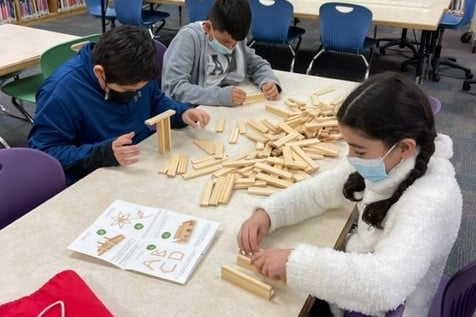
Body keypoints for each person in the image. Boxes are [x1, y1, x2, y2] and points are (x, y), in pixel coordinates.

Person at [236, 72, 462, 317]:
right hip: (369, 280)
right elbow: (318, 192)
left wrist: (295, 262)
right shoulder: (388, 161)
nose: (351, 157)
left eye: (359, 150)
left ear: (404, 147)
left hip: (397, 307)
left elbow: (384, 286)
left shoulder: (430, 200)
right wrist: (268, 213)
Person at [28, 26, 210, 186]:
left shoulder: (137, 70)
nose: (134, 94)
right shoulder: (60, 92)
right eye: (126, 91)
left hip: (141, 162)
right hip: (96, 176)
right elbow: (46, 153)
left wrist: (180, 112)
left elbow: (156, 100)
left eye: (139, 88)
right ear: (100, 72)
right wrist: (101, 153)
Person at [161, 0, 281, 107]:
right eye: (225, 41)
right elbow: (174, 87)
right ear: (208, 27)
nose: (230, 48)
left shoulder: (234, 39)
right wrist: (219, 96)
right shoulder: (188, 39)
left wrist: (268, 81)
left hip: (220, 104)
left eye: (235, 44)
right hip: (192, 110)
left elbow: (257, 65)